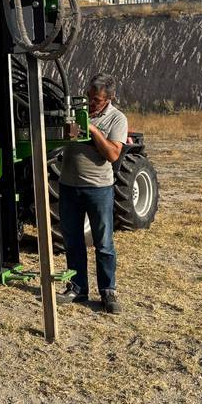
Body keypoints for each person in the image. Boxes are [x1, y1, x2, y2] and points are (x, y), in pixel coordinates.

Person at [56, 72, 126, 313]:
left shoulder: (117, 119)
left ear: (109, 99)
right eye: (88, 96)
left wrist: (94, 131)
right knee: (73, 240)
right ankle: (77, 287)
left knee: (103, 242)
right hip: (68, 187)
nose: (90, 102)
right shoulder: (76, 113)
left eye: (95, 99)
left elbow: (113, 154)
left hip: (98, 189)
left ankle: (108, 291)